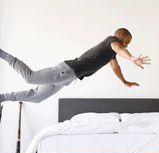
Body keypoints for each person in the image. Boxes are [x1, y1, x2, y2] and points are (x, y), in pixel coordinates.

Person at [0, 28, 150, 109]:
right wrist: (131, 58)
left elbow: (115, 66)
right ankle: (2, 54)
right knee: (29, 78)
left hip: (67, 77)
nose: (127, 45)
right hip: (66, 70)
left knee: (37, 96)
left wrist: (124, 81)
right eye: (127, 41)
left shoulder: (110, 53)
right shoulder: (111, 41)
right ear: (119, 36)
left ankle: (2, 98)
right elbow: (119, 48)